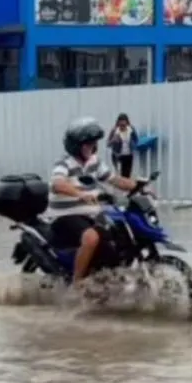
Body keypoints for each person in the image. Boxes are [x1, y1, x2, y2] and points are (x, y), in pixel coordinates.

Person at [49, 117, 145, 286]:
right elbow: (58, 184)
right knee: (91, 237)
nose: (91, 147)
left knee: (119, 237)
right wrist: (80, 194)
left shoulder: (95, 162)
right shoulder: (64, 163)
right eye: (87, 144)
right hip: (65, 215)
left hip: (91, 214)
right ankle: (77, 283)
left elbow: (115, 179)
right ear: (76, 145)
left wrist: (139, 187)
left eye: (93, 143)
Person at [108, 113, 138, 178]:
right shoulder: (114, 130)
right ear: (118, 123)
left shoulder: (131, 129)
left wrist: (132, 145)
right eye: (120, 125)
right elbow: (108, 144)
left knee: (127, 176)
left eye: (124, 125)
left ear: (127, 123)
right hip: (118, 156)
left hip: (129, 155)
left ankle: (127, 187)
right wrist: (113, 140)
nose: (122, 127)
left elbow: (136, 140)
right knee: (119, 176)